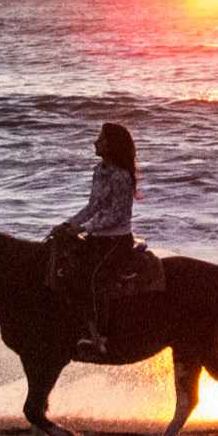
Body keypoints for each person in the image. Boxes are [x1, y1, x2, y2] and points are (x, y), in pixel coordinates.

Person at [51, 123, 139, 357]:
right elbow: (92, 207)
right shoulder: (99, 170)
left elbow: (117, 215)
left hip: (116, 240)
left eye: (101, 139)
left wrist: (83, 228)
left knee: (91, 277)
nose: (95, 142)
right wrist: (68, 224)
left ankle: (100, 336)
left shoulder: (121, 177)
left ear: (111, 145)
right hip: (97, 236)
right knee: (64, 267)